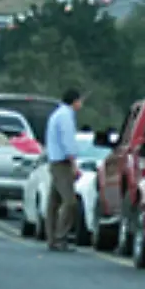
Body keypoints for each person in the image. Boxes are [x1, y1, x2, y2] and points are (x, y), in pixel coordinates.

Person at [44, 89, 83, 251]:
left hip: (54, 161)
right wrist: (74, 163)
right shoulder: (66, 116)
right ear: (74, 101)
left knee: (53, 202)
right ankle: (60, 237)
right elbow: (68, 142)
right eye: (80, 101)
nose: (81, 104)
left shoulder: (56, 114)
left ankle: (52, 237)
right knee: (70, 202)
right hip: (62, 163)